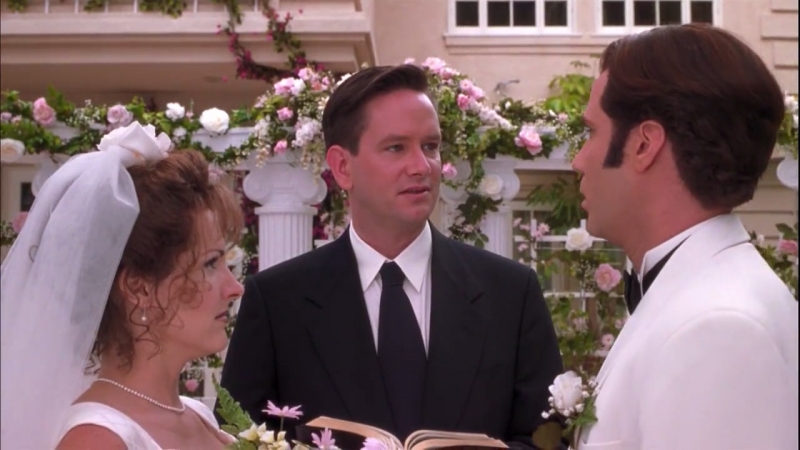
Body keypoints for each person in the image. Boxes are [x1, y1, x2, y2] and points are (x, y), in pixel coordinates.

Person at [219, 64, 564, 446]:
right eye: (396, 148)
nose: (421, 167)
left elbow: (547, 441)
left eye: (430, 146)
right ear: (342, 167)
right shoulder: (277, 302)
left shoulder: (510, 294)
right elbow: (238, 439)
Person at [571, 23, 799, 449]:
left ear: (644, 145)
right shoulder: (705, 294)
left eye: (591, 132)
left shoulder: (717, 328)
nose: (577, 161)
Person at [1, 121, 244, 449]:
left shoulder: (199, 416)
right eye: (210, 264)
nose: (235, 288)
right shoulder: (97, 440)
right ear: (139, 289)